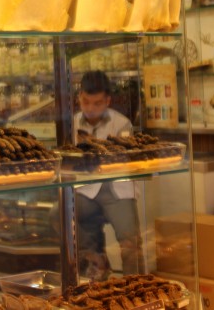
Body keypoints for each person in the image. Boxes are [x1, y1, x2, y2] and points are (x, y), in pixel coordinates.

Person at [74, 70, 145, 278]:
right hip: (86, 189)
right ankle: (96, 265)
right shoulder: (73, 123)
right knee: (58, 214)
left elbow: (126, 161)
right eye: (85, 102)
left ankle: (134, 285)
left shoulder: (121, 124)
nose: (90, 109)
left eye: (97, 103)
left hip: (117, 189)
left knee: (130, 241)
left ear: (107, 101)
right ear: (79, 98)